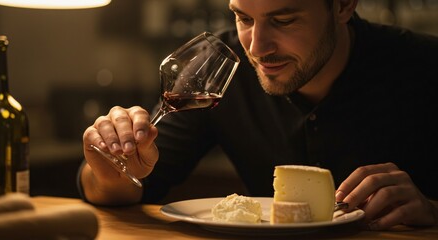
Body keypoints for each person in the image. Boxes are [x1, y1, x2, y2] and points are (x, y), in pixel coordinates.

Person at [78, 0, 438, 230]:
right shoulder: (216, 69)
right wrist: (109, 173)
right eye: (243, 18)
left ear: (343, 6)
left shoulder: (423, 67)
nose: (257, 47)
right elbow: (125, 190)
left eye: (283, 20)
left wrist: (433, 210)